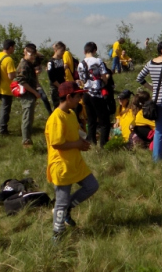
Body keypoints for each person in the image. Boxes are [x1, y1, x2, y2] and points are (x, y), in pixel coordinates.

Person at [44, 82, 99, 241]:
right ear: (68, 97)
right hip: (61, 166)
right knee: (60, 203)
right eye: (78, 96)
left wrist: (86, 138)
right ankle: (57, 235)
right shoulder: (56, 118)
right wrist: (78, 145)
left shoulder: (71, 113)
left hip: (75, 161)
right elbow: (57, 143)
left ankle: (68, 208)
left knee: (92, 186)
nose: (80, 99)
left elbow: (76, 130)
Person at [136, 40, 162, 162]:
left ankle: (156, 159)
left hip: (157, 101)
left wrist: (151, 88)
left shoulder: (150, 63)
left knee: (159, 130)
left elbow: (139, 78)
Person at [77, 42, 111, 147]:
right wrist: (105, 81)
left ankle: (91, 143)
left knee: (91, 120)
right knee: (104, 120)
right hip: (97, 93)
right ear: (95, 50)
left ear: (84, 51)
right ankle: (104, 145)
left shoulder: (80, 64)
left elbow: (82, 80)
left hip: (86, 93)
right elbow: (104, 76)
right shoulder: (98, 61)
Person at [16, 44, 43, 147]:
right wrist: (34, 92)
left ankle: (28, 139)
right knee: (27, 117)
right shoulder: (24, 65)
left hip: (31, 94)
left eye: (33, 55)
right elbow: (22, 81)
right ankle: (26, 141)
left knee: (30, 117)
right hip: (27, 94)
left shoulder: (29, 63)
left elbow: (42, 56)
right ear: (25, 53)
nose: (32, 57)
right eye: (30, 55)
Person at [0, 39, 18, 136]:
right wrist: (17, 73)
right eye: (14, 47)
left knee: (2, 109)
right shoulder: (9, 59)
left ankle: (1, 126)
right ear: (10, 47)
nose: (14, 49)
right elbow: (11, 76)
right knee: (5, 110)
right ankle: (3, 130)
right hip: (6, 89)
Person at [47, 42, 68, 109]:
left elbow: (62, 73)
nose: (63, 53)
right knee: (57, 106)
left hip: (62, 85)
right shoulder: (51, 62)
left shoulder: (61, 60)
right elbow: (51, 77)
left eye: (64, 51)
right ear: (56, 50)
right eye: (61, 51)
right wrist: (59, 86)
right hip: (55, 87)